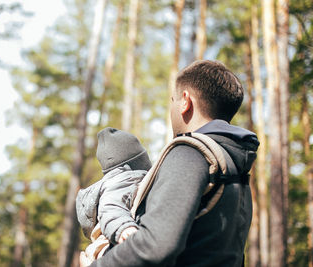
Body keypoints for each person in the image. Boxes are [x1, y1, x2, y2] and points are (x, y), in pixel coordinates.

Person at [80, 60, 259, 267]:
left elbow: (154, 247)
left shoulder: (189, 153)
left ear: (185, 101)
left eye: (172, 100)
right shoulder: (234, 162)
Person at [76, 127, 152, 249]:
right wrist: (124, 227)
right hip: (116, 237)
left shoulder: (124, 180)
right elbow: (110, 207)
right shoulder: (125, 180)